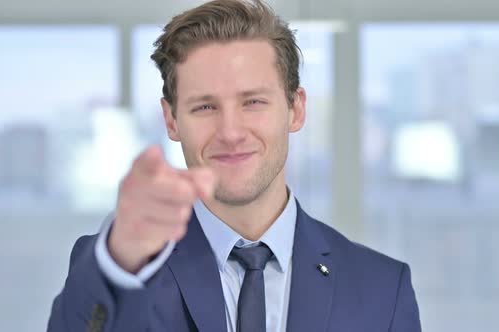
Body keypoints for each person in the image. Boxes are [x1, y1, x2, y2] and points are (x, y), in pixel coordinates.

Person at [47, 0, 421, 331]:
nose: (230, 132)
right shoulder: (122, 267)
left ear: (296, 108)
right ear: (172, 120)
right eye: (205, 107)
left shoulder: (382, 289)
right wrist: (122, 260)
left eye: (253, 102)